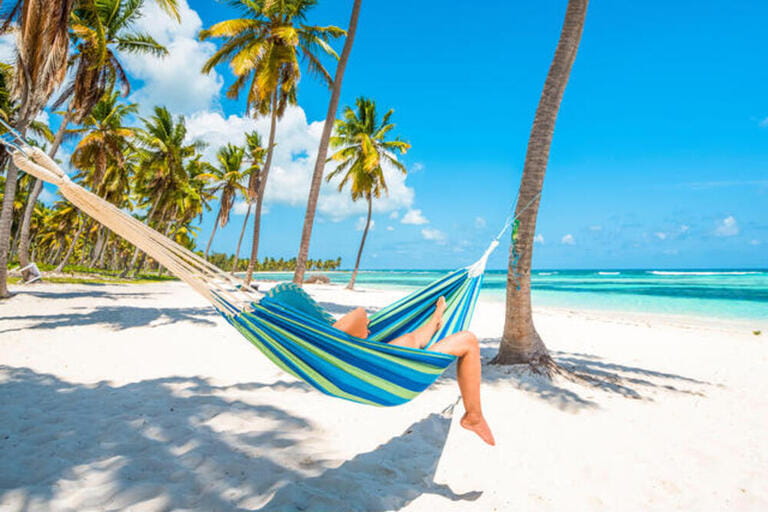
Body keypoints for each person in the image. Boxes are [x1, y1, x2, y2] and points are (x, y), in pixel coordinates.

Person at [333, 297, 495, 446]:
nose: (369, 331)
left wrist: (437, 314)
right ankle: (473, 417)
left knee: (409, 339)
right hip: (393, 383)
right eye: (366, 329)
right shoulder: (360, 356)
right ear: (355, 336)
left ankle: (435, 321)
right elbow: (360, 314)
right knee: (468, 340)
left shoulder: (356, 355)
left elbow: (412, 339)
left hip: (391, 374)